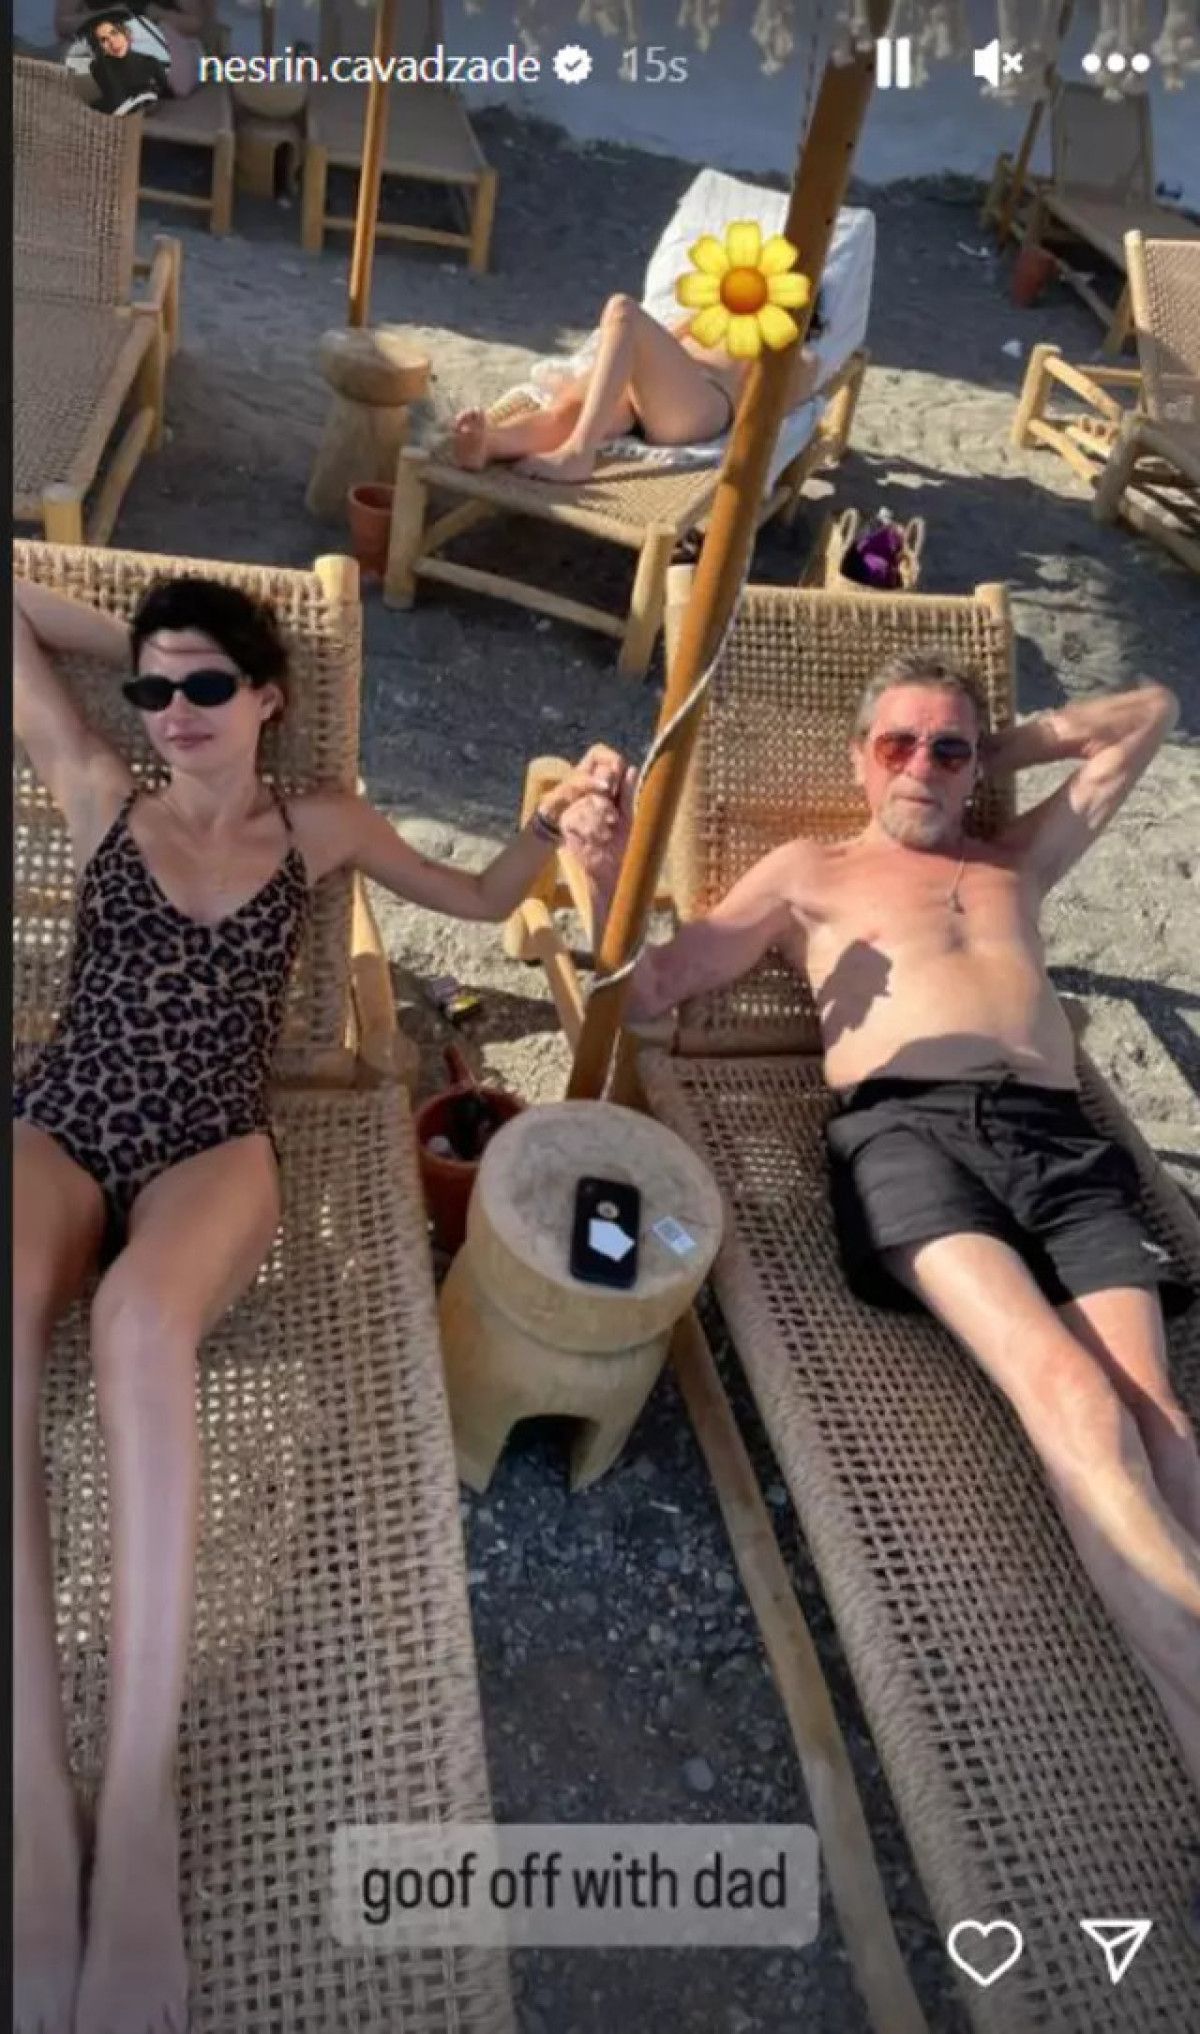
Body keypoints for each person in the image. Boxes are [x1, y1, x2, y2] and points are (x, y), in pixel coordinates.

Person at [11, 573, 624, 2034]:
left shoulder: (319, 824)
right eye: (154, 690)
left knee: (140, 1328)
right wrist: (138, 634)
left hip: (216, 1150)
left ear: (268, 696)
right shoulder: (99, 788)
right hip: (58, 1121)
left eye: (207, 687)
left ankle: (138, 1809)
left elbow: (483, 900)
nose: (173, 715)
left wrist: (561, 824)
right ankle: (34, 1803)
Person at [580, 649, 1200, 1794]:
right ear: (858, 760)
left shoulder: (1018, 859)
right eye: (897, 744)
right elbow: (660, 982)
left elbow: (1150, 710)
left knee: (1161, 1424)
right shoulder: (809, 871)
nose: (922, 765)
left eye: (947, 748)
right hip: (909, 1138)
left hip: (1060, 1138)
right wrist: (605, 871)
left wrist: (996, 753)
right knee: (1069, 1395)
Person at [450, 288, 827, 484]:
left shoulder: (797, 355)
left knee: (623, 311)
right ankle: (492, 444)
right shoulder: (707, 315)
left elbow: (769, 406)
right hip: (651, 392)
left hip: (703, 405)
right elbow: (656, 344)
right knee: (568, 409)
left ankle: (579, 453)